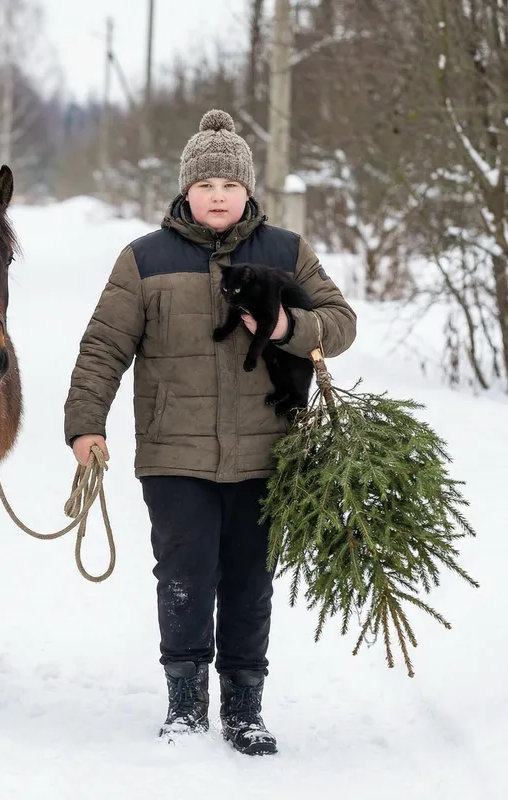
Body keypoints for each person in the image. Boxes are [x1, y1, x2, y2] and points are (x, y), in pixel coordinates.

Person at [63, 109, 356, 756]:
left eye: (229, 184)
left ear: (248, 190)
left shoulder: (287, 252)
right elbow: (103, 346)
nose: (218, 195)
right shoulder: (144, 259)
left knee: (249, 583)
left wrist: (287, 330)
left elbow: (340, 322)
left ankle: (245, 707)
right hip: (175, 455)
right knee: (184, 577)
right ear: (185, 191)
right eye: (206, 184)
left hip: (267, 454)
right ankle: (185, 703)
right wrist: (85, 424)